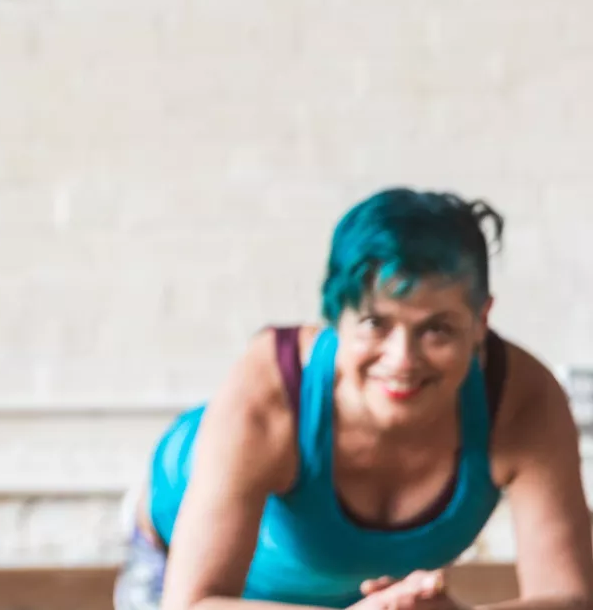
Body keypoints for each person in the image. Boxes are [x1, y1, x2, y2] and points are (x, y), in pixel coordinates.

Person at [114, 188, 593, 610]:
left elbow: (571, 599)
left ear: (481, 319)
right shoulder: (268, 388)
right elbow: (193, 603)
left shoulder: (521, 401)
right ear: (334, 317)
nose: (403, 359)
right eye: (374, 324)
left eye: (438, 329)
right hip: (185, 566)